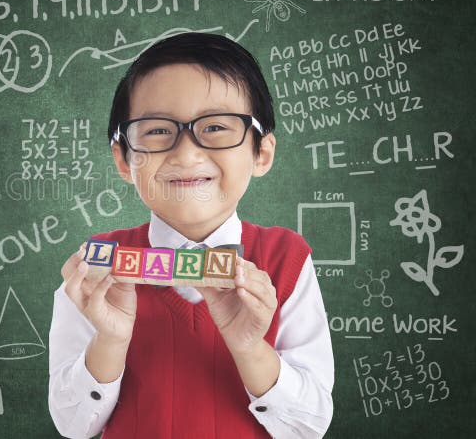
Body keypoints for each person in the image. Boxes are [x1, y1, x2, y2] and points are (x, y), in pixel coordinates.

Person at [48, 33, 334, 438]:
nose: (186, 153)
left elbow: (309, 427)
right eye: (157, 131)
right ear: (124, 160)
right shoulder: (97, 268)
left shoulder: (287, 258)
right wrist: (110, 340)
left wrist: (251, 348)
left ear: (262, 153)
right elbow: (73, 426)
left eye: (216, 126)